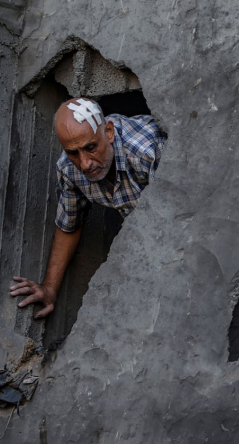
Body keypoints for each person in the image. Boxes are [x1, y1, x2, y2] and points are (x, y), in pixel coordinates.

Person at [9, 97, 167, 318]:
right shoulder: (69, 169)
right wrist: (50, 288)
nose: (84, 164)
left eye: (90, 148)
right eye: (73, 153)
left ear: (109, 132)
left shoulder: (145, 151)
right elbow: (69, 224)